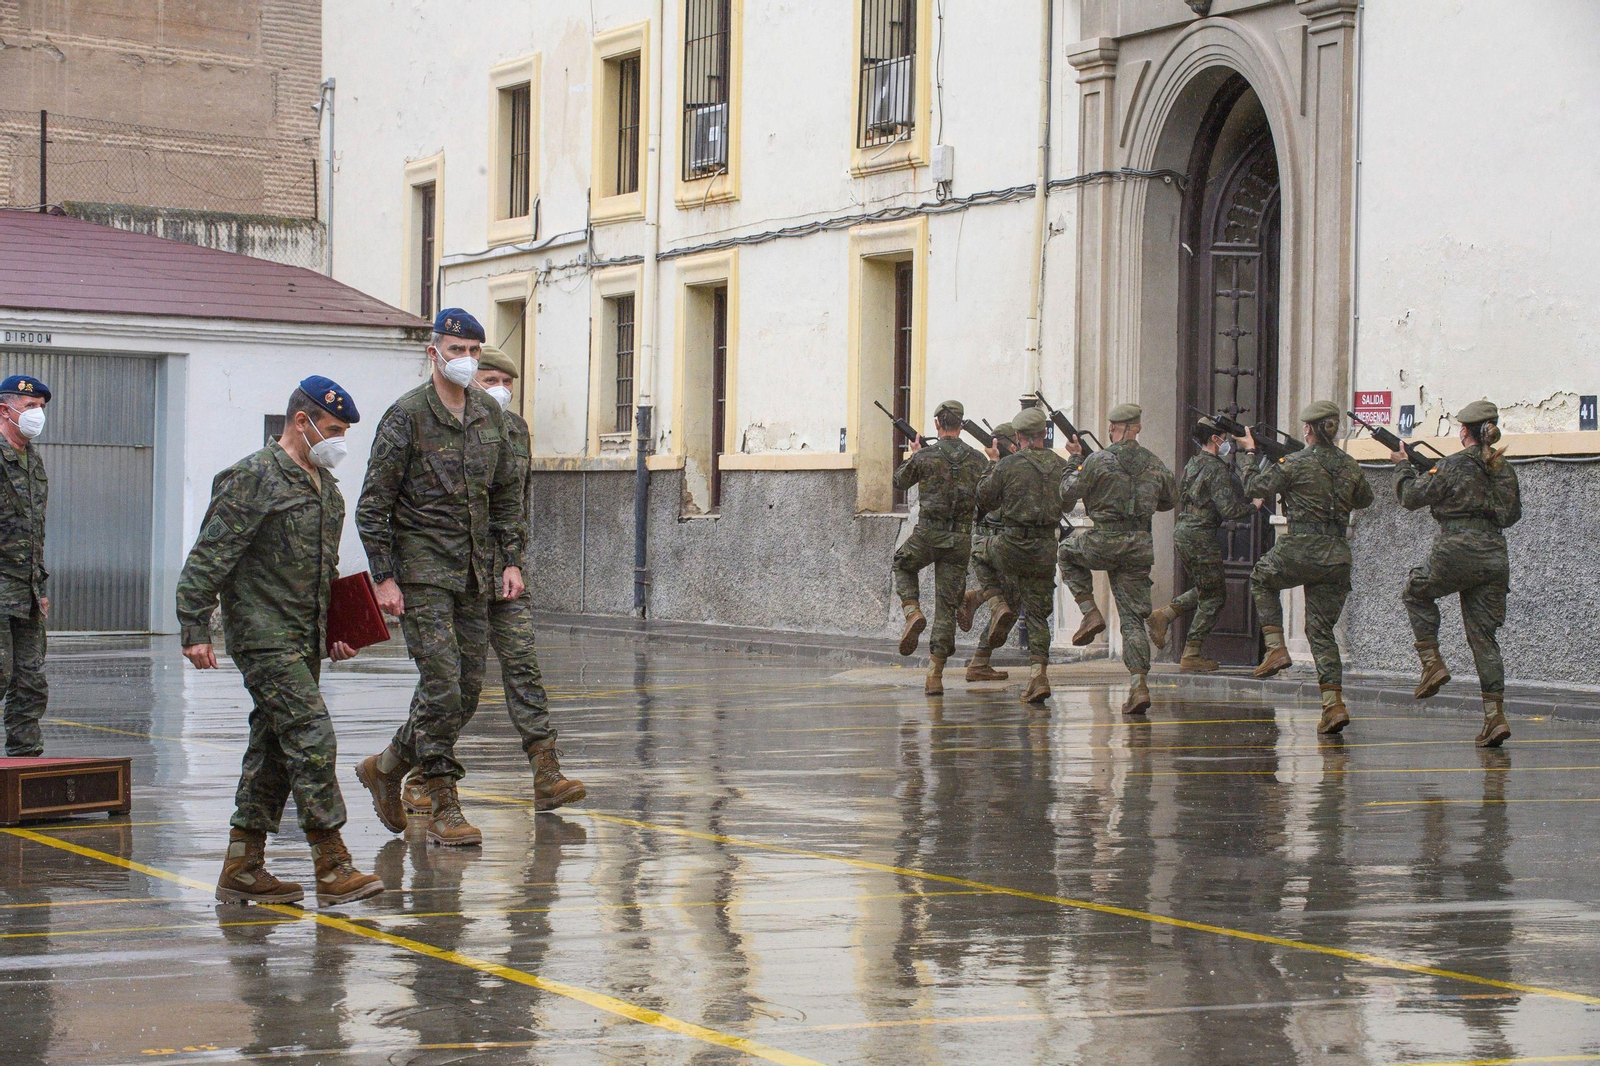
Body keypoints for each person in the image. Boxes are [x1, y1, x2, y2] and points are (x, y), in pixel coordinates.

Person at [177, 376, 382, 907]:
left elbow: (325, 571)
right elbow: (208, 557)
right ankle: (332, 862)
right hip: (262, 635)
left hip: (303, 638)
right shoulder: (251, 478)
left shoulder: (327, 491)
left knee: (271, 748)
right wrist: (194, 626)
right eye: (332, 429)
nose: (338, 440)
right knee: (312, 735)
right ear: (301, 421)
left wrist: (338, 633)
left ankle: (243, 865)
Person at [354, 309, 525, 847]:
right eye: (457, 350)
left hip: (475, 573)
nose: (467, 360)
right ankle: (443, 801)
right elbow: (372, 506)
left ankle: (386, 766)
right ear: (434, 353)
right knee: (441, 685)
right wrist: (384, 578)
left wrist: (511, 560)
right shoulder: (406, 416)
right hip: (422, 572)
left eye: (475, 350)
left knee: (466, 692)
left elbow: (505, 496)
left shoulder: (487, 417)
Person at [400, 344, 584, 814]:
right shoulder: (430, 419)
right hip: (455, 572)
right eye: (490, 380)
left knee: (523, 665)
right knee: (454, 687)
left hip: (502, 571)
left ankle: (547, 770)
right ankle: (413, 770)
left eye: (508, 384)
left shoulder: (516, 430)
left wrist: (513, 560)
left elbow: (514, 503)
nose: (500, 391)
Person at [1241, 400, 1375, 734]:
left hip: (1299, 549)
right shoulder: (1349, 464)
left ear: (1308, 430)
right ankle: (1333, 705)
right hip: (1337, 557)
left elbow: (1254, 489)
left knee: (1261, 578)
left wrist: (1249, 454)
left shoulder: (1294, 463)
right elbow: (1365, 499)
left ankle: (1275, 649)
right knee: (1320, 630)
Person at [1394, 399, 1521, 748]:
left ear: (1463, 430)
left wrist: (1403, 465)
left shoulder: (1451, 466)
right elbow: (1511, 516)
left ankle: (1432, 663)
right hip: (1495, 556)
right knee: (1484, 637)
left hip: (1456, 550)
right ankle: (1495, 717)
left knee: (1415, 591)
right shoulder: (1503, 467)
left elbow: (1409, 497)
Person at [1058, 403, 1177, 716]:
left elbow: (1067, 493)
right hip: (1139, 545)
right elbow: (1170, 498)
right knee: (1133, 619)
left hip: (1104, 540)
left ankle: (1090, 612)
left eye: (1110, 426)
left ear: (1115, 427)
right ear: (1136, 427)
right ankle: (1139, 683)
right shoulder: (1154, 462)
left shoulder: (1098, 460)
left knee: (1067, 552)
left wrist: (1074, 459)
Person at [973, 407, 1073, 703]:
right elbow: (1067, 504)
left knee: (978, 551)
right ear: (1044, 434)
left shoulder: (1008, 465)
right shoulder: (1061, 464)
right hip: (1045, 549)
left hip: (1011, 545)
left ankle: (993, 601)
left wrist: (992, 463)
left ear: (1018, 436)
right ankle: (1038, 676)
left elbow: (984, 498)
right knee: (1037, 613)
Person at [892, 400, 988, 695]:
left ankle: (912, 612)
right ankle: (934, 675)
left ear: (937, 424)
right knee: (947, 607)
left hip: (927, 535)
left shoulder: (927, 456)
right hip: (959, 541)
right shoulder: (978, 460)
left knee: (903, 563)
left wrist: (914, 455)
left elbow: (899, 481)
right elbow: (987, 498)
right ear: (961, 424)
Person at [1147, 417, 1255, 672]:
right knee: (1215, 596)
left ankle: (1164, 616)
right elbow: (1229, 509)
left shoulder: (1192, 463)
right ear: (1215, 439)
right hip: (1201, 536)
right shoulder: (1216, 469)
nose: (1227, 442)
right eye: (1224, 437)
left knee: (1208, 589)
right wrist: (1253, 506)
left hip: (1184, 531)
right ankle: (1191, 653)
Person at [0, 375, 50, 758]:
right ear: (5, 409)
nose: (38, 415)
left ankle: (23, 767)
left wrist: (40, 589)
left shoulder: (33, 461)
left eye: (42, 409)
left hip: (26, 592)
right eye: (31, 407)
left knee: (30, 682)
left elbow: (35, 532)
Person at [957, 421, 1020, 682]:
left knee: (1004, 599)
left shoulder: (988, 468)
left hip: (984, 544)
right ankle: (980, 661)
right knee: (1010, 606)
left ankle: (976, 597)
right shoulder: (1008, 471)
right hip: (1001, 545)